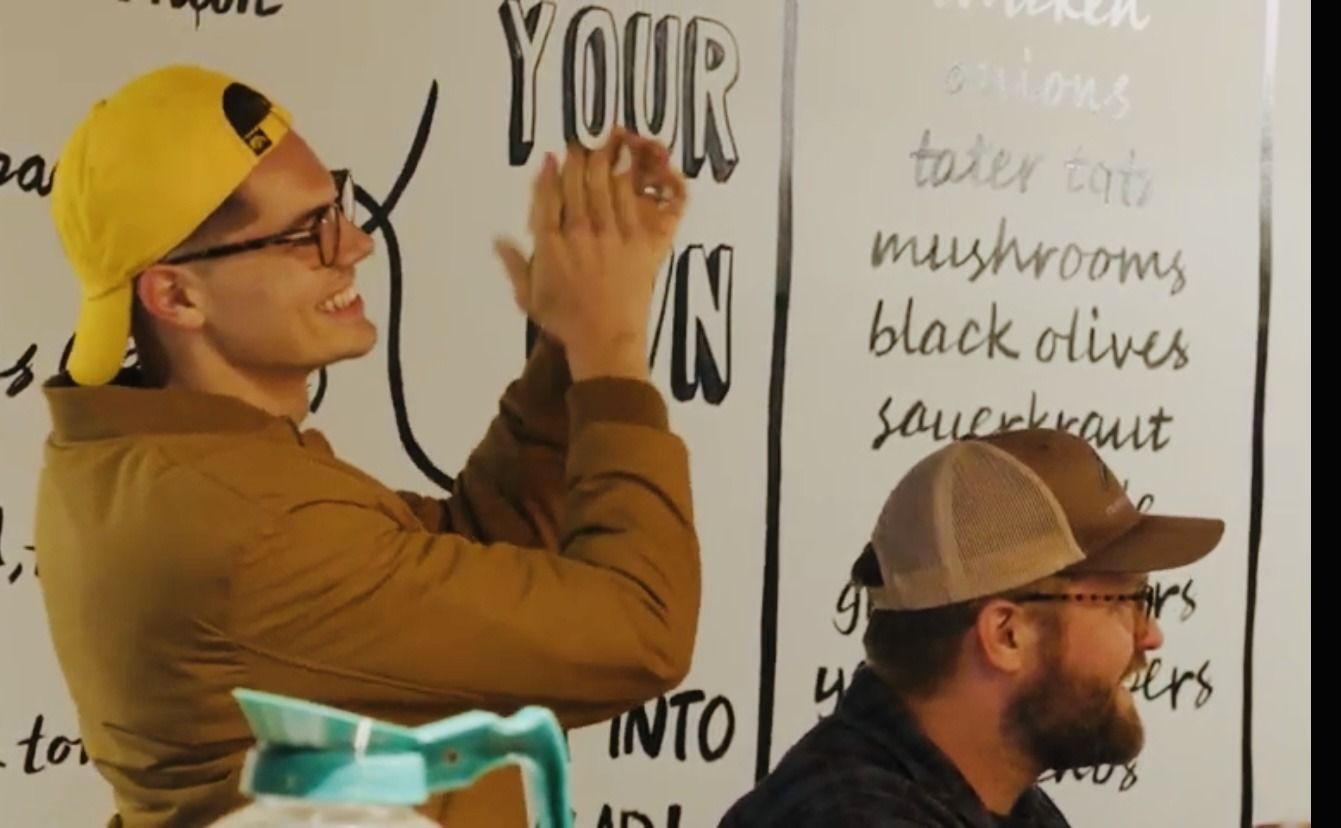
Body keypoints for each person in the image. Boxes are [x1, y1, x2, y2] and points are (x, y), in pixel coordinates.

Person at [35, 63, 700, 827]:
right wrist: (609, 344)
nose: (353, 245)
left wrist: (564, 341)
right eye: (304, 233)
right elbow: (639, 633)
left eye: (338, 207)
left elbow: (477, 553)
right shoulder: (246, 525)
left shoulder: (155, 456)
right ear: (176, 295)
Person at [719, 428, 1225, 827]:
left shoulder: (1004, 807)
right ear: (1006, 634)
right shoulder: (849, 817)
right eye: (1128, 600)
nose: (1150, 635)